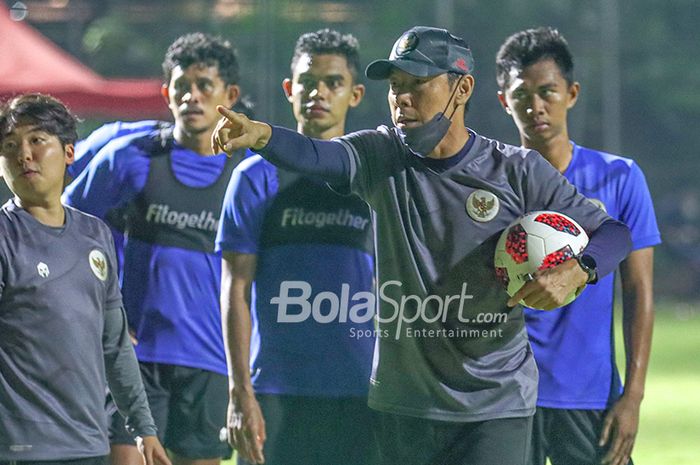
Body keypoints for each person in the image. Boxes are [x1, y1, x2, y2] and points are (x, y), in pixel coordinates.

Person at [212, 26, 633, 465]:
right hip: (403, 407)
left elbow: (614, 234)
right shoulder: (380, 156)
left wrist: (577, 269)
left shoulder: (515, 170)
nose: (401, 99)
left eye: (417, 84)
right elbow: (318, 157)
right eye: (395, 86)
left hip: (494, 407)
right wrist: (263, 136)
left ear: (462, 88)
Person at [64, 33, 243, 465]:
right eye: (182, 86)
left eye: (205, 86)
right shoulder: (130, 158)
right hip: (136, 355)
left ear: (229, 95)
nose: (192, 97)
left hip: (211, 359)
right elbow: (66, 226)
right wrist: (97, 305)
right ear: (167, 93)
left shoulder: (245, 174)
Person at [496, 27, 661, 465]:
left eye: (547, 91)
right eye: (521, 94)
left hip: (590, 397)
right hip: (506, 397)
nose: (535, 106)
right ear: (502, 101)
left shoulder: (620, 178)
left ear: (571, 93)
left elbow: (638, 291)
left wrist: (634, 396)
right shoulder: (491, 185)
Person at [216, 29, 377, 465]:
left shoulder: (376, 180)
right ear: (289, 89)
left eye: (333, 82)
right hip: (276, 393)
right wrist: (239, 391)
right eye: (307, 81)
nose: (318, 93)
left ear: (356, 94)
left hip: (364, 393)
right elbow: (235, 289)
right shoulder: (255, 177)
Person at [0, 93, 170, 465]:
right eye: (10, 146)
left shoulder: (95, 235)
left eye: (37, 141)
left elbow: (115, 344)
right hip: (21, 450)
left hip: (89, 445)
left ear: (70, 153)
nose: (23, 154)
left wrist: (144, 428)